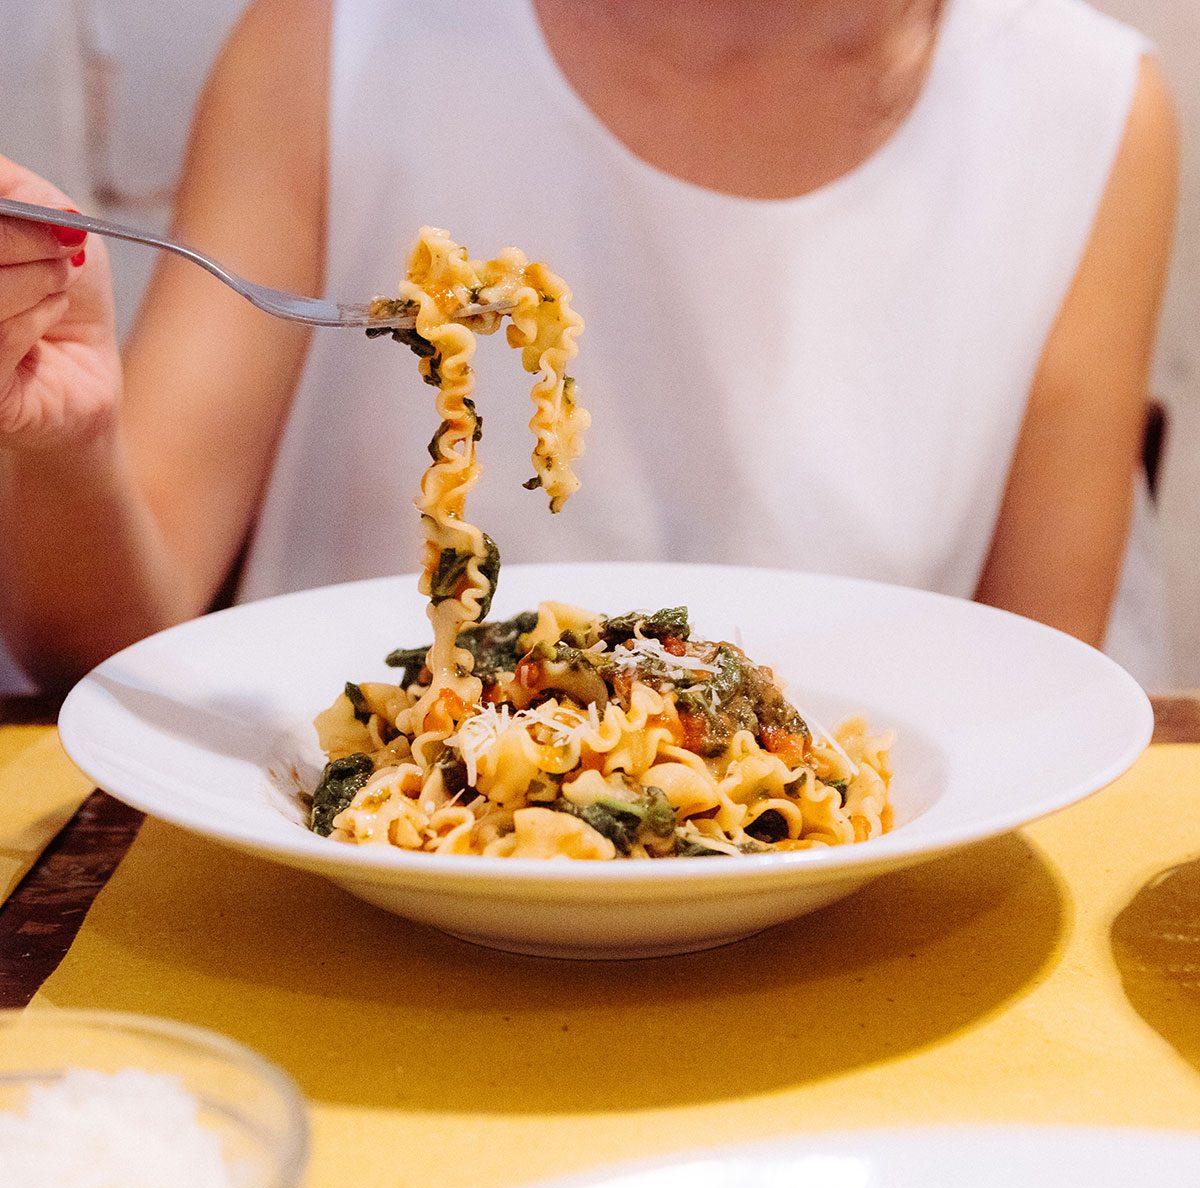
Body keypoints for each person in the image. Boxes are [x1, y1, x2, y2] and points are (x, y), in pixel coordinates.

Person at [0, 0, 1178, 692]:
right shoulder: (338, 38)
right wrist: (69, 438)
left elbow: (1033, 700)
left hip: (833, 931)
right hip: (340, 894)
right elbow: (104, 650)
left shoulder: (1082, 112)